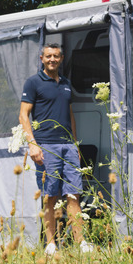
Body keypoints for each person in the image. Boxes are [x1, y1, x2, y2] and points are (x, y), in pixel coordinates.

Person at [19, 42, 87, 253]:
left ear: (61, 58)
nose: (52, 60)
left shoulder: (66, 84)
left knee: (74, 194)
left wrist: (74, 143)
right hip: (46, 147)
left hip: (68, 147)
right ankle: (50, 244)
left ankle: (81, 243)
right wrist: (32, 145)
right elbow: (23, 115)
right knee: (50, 196)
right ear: (42, 59)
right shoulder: (33, 83)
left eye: (56, 56)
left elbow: (70, 115)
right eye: (48, 56)